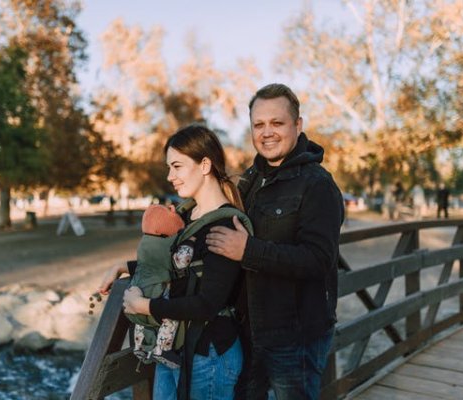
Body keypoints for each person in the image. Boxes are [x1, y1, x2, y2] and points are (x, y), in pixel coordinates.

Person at [206, 83, 344, 399]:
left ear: (298, 125)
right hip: (249, 331)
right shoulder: (249, 181)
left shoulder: (317, 185)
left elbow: (318, 259)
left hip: (296, 336)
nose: (267, 132)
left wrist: (249, 251)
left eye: (277, 123)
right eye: (259, 125)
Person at [99, 124, 247, 400]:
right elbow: (180, 268)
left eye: (177, 166)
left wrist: (145, 306)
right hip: (173, 350)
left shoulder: (224, 224)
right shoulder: (185, 218)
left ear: (204, 165)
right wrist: (124, 266)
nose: (170, 176)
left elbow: (208, 304)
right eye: (169, 167)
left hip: (209, 354)